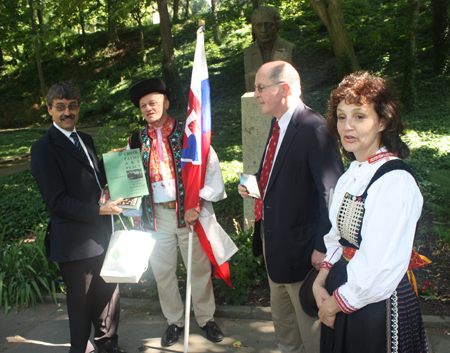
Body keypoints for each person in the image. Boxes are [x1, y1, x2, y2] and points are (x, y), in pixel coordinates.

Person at [312, 71, 429, 353]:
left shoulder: (394, 180)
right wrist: (320, 282)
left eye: (359, 116)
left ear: (383, 121)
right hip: (343, 286)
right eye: (341, 117)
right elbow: (337, 237)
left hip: (376, 301)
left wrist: (334, 303)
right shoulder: (353, 173)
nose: (347, 126)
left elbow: (379, 264)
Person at [238, 61, 344, 353]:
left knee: (312, 336)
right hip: (277, 251)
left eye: (260, 87)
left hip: (304, 256)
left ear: (283, 89)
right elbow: (277, 175)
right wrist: (254, 186)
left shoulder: (314, 129)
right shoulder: (277, 123)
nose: (255, 93)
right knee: (286, 332)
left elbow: (331, 194)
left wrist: (323, 247)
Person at [126, 77, 227, 347]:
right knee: (163, 273)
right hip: (156, 216)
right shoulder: (136, 139)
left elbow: (209, 166)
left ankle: (206, 318)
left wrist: (197, 205)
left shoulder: (188, 132)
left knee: (199, 269)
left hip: (188, 213)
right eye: (143, 105)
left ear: (166, 103)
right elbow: (129, 180)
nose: (148, 108)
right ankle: (175, 321)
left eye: (153, 102)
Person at [31, 82, 126, 353]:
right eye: (60, 107)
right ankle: (80, 349)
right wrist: (99, 210)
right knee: (81, 303)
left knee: (109, 296)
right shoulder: (43, 148)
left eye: (72, 106)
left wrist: (115, 166)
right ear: (50, 110)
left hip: (102, 233)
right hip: (74, 243)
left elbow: (95, 183)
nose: (67, 112)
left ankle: (108, 345)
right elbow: (56, 201)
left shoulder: (85, 140)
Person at [244, 5, 295, 92]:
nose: (263, 30)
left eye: (269, 25)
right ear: (254, 28)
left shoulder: (288, 48)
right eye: (258, 26)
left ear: (277, 25)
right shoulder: (248, 52)